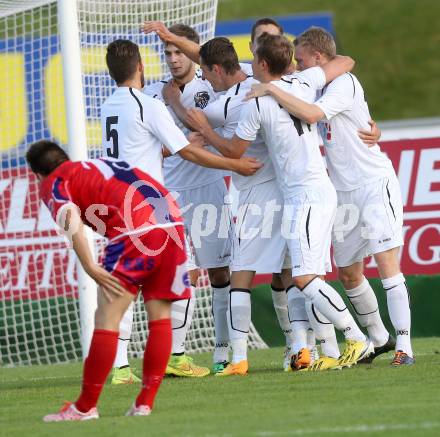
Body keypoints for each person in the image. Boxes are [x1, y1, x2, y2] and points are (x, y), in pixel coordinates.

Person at [169, 36, 355, 374]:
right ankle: (302, 349)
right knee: (291, 272)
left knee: (242, 273)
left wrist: (185, 112)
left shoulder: (227, 106)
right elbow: (344, 61)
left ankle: (237, 357)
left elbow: (211, 135)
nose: (207, 82)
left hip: (258, 196)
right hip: (290, 192)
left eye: (207, 74)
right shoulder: (290, 82)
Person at [247, 27, 413, 366]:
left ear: (319, 58)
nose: (297, 65)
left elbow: (311, 114)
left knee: (386, 264)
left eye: (303, 59)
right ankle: (379, 338)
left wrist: (271, 89)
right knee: (349, 274)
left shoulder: (343, 85)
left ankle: (405, 347)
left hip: (372, 183)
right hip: (341, 190)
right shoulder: (315, 84)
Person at [27, 141, 190, 420]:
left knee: (106, 318)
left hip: (136, 231)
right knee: (160, 317)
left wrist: (90, 265)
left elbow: (69, 218)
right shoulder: (101, 164)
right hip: (172, 224)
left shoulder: (54, 180)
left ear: (37, 174)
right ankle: (144, 404)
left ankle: (84, 408)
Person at [143, 25, 234, 376]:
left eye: (178, 51)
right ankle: (176, 355)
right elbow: (149, 149)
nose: (172, 58)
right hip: (169, 194)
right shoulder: (152, 95)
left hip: (209, 188)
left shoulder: (213, 86)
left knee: (220, 272)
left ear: (191, 53)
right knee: (182, 272)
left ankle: (223, 348)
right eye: (167, 53)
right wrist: (182, 147)